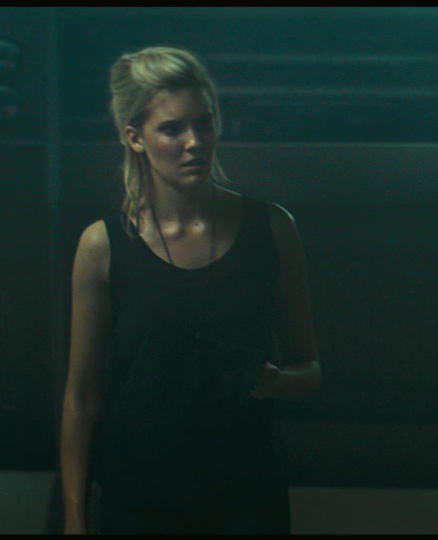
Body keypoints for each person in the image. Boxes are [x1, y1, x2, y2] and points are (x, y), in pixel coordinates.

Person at [58, 46, 321, 534]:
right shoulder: (104, 245)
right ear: (135, 137)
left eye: (204, 122)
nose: (195, 141)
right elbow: (81, 397)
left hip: (247, 497)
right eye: (173, 129)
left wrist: (274, 381)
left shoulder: (271, 228)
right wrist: (74, 519)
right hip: (140, 501)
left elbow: (310, 369)